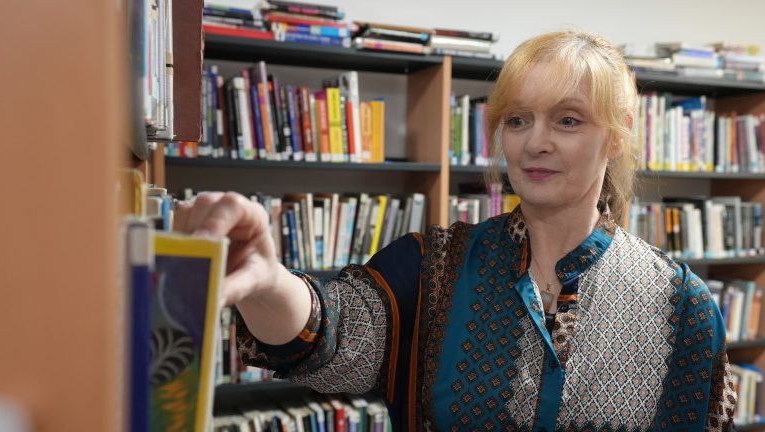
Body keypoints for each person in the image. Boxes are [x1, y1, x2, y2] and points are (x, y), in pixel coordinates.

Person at [175, 31, 736, 431]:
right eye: (517, 120)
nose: (534, 141)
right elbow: (332, 330)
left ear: (616, 136)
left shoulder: (679, 304)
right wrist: (269, 280)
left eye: (567, 119)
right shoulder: (433, 267)